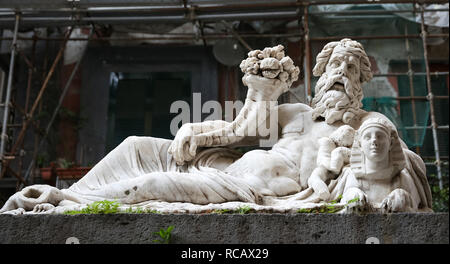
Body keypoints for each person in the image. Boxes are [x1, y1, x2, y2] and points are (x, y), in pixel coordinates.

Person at [0, 39, 432, 214]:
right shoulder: (297, 114)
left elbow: (402, 165)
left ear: (360, 84)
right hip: (225, 165)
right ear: (319, 78)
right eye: (334, 66)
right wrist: (201, 130)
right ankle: (73, 197)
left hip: (245, 188)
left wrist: (386, 181)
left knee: (154, 182)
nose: (340, 74)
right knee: (134, 145)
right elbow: (243, 128)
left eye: (350, 70)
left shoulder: (370, 125)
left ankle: (62, 200)